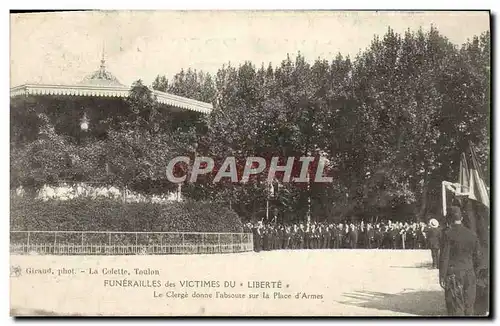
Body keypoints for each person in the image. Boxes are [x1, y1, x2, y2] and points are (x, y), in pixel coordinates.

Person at [439, 206, 481, 316]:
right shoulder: (472, 234)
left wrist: (442, 276)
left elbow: (444, 257)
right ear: (461, 218)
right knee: (469, 305)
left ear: (449, 219)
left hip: (453, 275)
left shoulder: (447, 234)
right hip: (469, 272)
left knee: (455, 306)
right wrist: (474, 271)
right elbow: (478, 257)